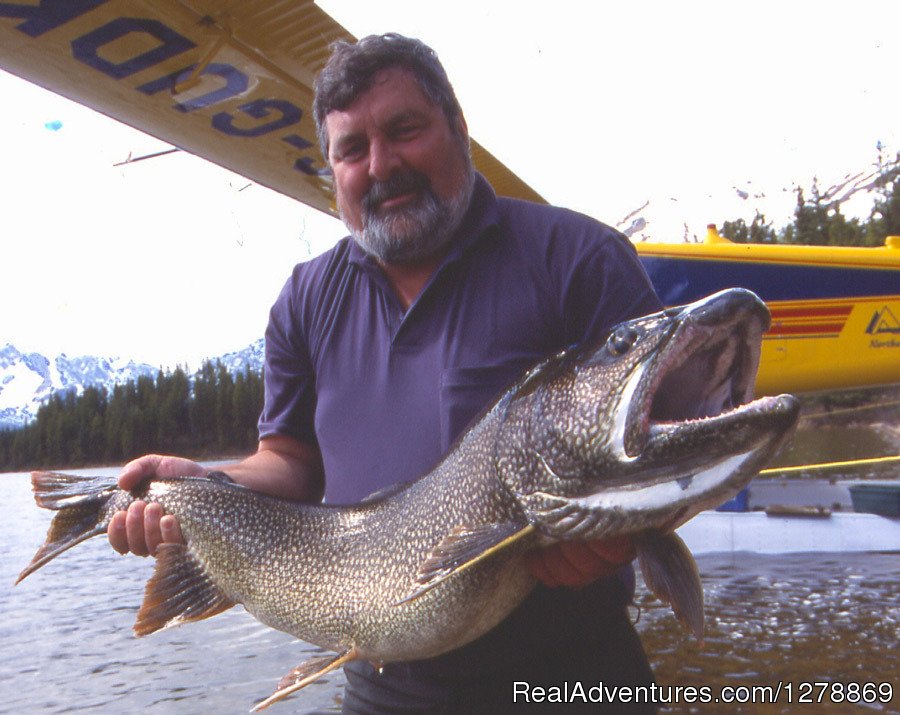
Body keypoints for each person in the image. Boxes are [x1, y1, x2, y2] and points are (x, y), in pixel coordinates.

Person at [110, 33, 662, 713]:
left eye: (404, 130)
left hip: (577, 677)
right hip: (384, 686)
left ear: (458, 130)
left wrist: (623, 533)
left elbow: (665, 435)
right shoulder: (305, 299)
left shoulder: (578, 256)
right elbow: (288, 462)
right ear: (332, 168)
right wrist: (206, 485)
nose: (381, 165)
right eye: (352, 150)